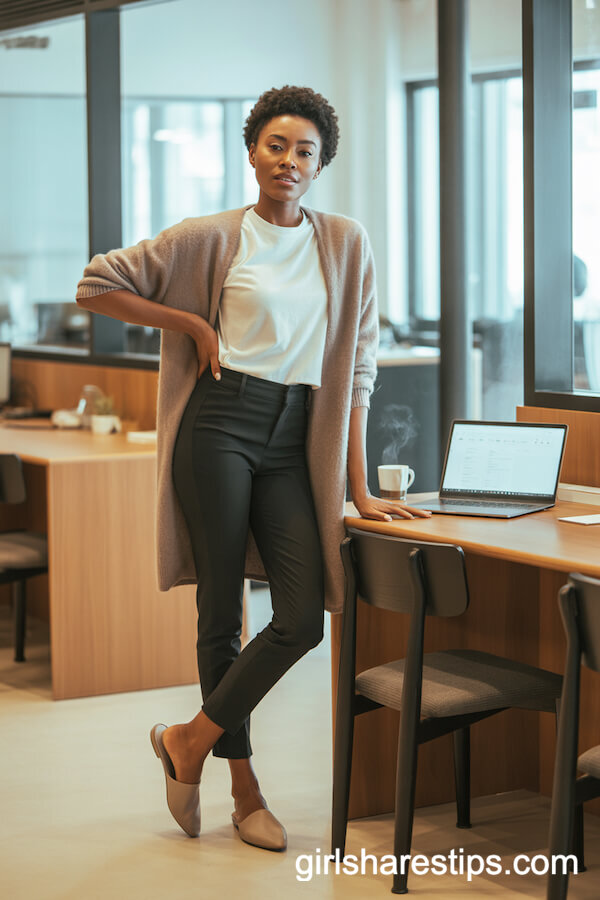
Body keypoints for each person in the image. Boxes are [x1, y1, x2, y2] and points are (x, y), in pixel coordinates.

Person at [76, 85, 430, 852]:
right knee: (221, 614)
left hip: (297, 436)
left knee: (302, 616)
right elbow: (98, 282)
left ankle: (186, 740)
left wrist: (360, 490)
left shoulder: (345, 243)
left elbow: (359, 371)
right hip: (222, 423)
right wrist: (191, 321)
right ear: (252, 151)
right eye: (277, 145)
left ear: (321, 163)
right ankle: (245, 790)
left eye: (305, 150)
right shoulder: (211, 235)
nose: (289, 161)